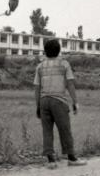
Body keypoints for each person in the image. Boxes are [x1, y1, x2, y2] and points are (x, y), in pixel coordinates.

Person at [34, 38, 86, 168]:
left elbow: (37, 87)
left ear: (45, 51)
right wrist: (75, 102)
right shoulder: (64, 64)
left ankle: (51, 161)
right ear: (58, 51)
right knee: (65, 129)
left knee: (47, 130)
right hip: (59, 101)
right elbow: (70, 84)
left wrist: (38, 106)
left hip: (44, 101)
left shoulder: (40, 66)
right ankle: (71, 158)